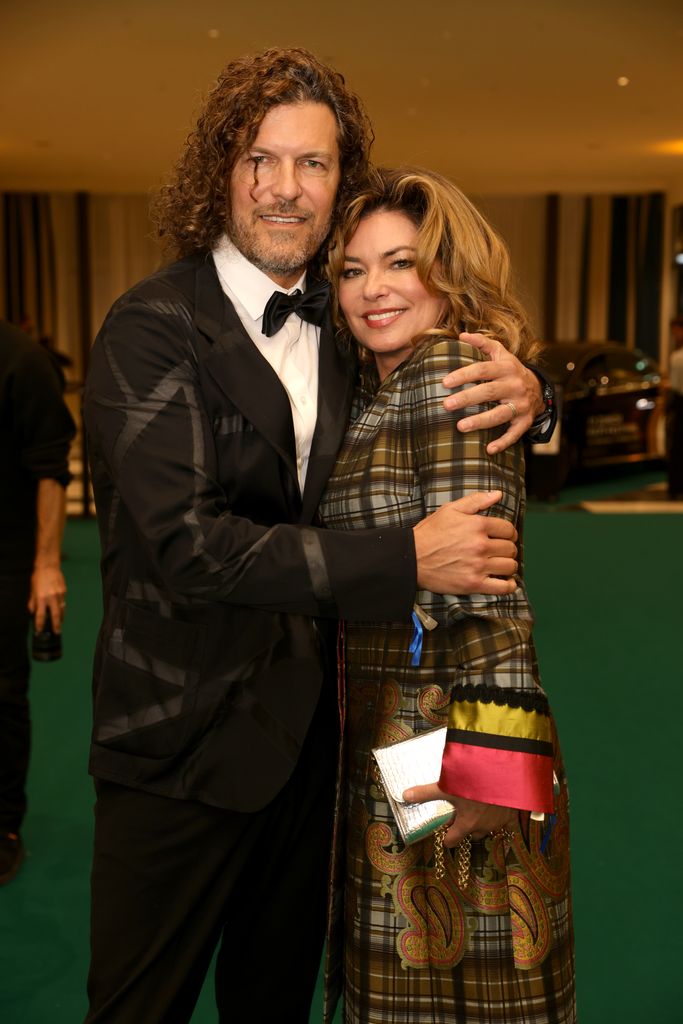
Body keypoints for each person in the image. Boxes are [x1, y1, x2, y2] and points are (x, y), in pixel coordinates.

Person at [83, 48, 553, 1023]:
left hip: (323, 754)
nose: (285, 187)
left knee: (339, 986)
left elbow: (435, 391)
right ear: (221, 168)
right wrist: (403, 558)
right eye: (261, 158)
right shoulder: (150, 326)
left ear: (339, 182)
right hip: (179, 751)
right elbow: (188, 545)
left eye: (313, 163)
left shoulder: (347, 330)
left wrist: (535, 397)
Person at [320, 167, 575, 1023]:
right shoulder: (385, 380)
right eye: (352, 270)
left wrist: (488, 770)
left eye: (400, 263)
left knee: (455, 994)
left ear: (448, 273)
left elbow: (489, 588)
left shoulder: (443, 376)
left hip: (447, 750)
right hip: (406, 739)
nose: (373, 289)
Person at [0, 319, 75, 884]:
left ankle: (4, 826)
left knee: (2, 693)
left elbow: (50, 468)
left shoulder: (20, 359)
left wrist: (47, 565)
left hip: (7, 558)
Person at [667, 315, 683, 499]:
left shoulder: (677, 357)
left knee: (677, 445)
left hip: (680, 402)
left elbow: (674, 385)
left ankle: (676, 487)